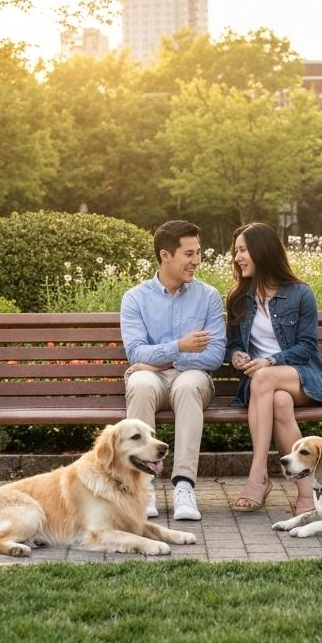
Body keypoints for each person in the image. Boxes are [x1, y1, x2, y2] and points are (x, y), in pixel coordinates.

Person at [120, 219, 225, 521]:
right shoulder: (135, 298)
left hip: (191, 379)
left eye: (198, 253)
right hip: (150, 380)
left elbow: (215, 355)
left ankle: (184, 486)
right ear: (166, 255)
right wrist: (180, 346)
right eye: (189, 254)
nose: (196, 261)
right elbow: (136, 354)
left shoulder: (208, 296)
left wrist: (167, 359)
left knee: (188, 383)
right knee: (139, 382)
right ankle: (144, 485)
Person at [224, 222, 322, 516]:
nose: (238, 258)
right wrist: (236, 356)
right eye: (236, 252)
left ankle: (258, 473)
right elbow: (232, 344)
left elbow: (307, 347)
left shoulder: (300, 294)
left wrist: (271, 361)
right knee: (279, 402)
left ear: (263, 250)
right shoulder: (238, 297)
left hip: (301, 377)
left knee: (267, 379)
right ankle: (307, 496)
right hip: (261, 388)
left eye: (243, 250)